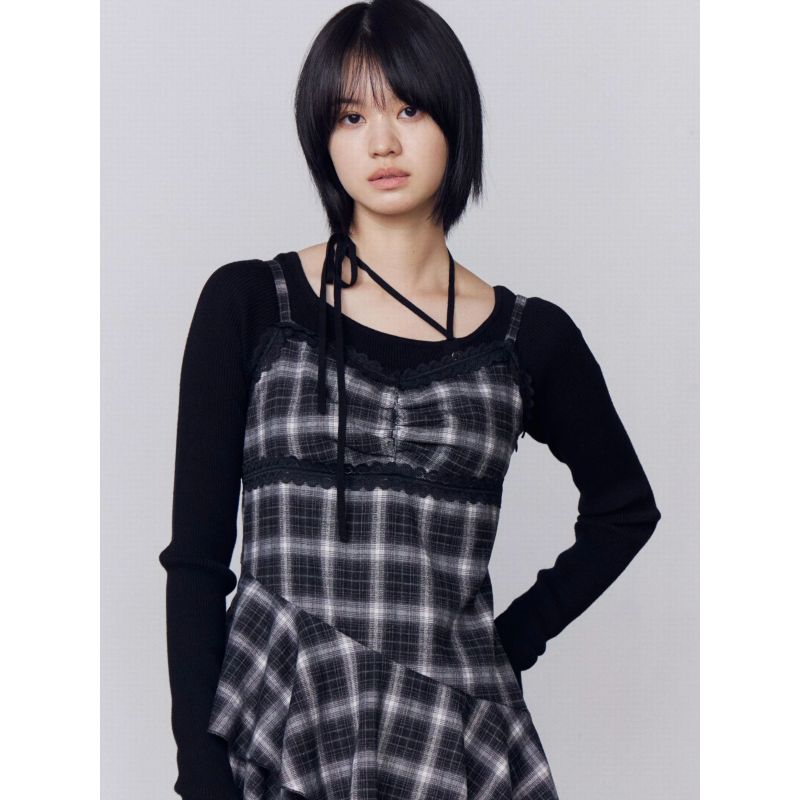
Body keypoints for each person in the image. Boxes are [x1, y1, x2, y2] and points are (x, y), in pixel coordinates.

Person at [158, 1, 662, 799]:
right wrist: (201, 770)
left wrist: (510, 641)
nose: (382, 143)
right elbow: (196, 561)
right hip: (280, 737)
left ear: (453, 118)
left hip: (452, 745)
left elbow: (624, 509)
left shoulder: (529, 339)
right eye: (351, 116)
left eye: (409, 109)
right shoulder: (250, 303)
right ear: (323, 136)